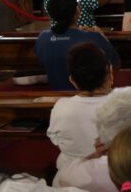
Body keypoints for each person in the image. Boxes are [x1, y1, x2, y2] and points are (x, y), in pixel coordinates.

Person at [47, 43, 114, 171]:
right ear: (110, 74)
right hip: (115, 176)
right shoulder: (127, 107)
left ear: (72, 80)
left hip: (69, 178)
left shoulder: (61, 107)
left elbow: (55, 139)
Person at [36, 0, 120, 91]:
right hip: (88, 96)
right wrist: (102, 36)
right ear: (77, 11)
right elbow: (116, 65)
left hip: (57, 96)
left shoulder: (43, 37)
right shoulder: (93, 37)